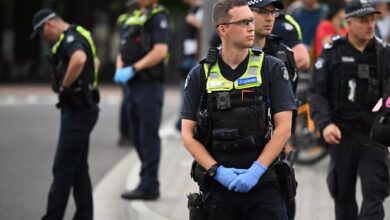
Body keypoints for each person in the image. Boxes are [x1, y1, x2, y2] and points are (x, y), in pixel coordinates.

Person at [181, 0, 296, 219]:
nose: (251, 27)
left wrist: (256, 171)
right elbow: (187, 135)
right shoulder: (199, 74)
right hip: (218, 188)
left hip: (264, 185)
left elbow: (284, 128)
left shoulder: (271, 67)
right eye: (243, 22)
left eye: (251, 21)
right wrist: (217, 171)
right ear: (223, 29)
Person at [309, 1, 390, 219]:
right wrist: (325, 124)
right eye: (364, 20)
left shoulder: (383, 53)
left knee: (375, 192)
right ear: (349, 23)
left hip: (374, 135)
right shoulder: (332, 53)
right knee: (342, 194)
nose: (370, 25)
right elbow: (317, 93)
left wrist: (383, 115)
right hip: (341, 135)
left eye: (373, 19)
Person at [31, 9, 100, 220]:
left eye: (42, 34)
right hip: (84, 107)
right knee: (78, 169)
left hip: (78, 111)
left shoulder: (70, 38)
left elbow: (79, 59)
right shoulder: (79, 33)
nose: (44, 38)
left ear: (49, 24)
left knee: (61, 169)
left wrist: (64, 85)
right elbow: (95, 62)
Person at [114, 0, 171, 200]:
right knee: (136, 133)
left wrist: (134, 68)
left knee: (148, 134)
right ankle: (145, 179)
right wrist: (120, 69)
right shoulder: (133, 17)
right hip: (132, 84)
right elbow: (123, 47)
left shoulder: (159, 17)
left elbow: (160, 51)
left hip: (149, 84)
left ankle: (150, 184)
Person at [249, 1, 298, 219]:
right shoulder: (230, 51)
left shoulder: (283, 54)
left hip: (275, 146)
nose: (269, 18)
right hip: (237, 145)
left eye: (273, 12)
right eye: (262, 11)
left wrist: (288, 140)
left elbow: (289, 104)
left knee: (284, 205)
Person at [175, 0, 203, 132]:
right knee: (185, 89)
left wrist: (195, 21)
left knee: (188, 90)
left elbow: (206, 27)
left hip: (195, 56)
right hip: (189, 55)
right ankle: (179, 123)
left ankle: (181, 125)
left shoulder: (201, 9)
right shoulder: (194, 10)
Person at [115, 0, 139, 146]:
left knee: (132, 102)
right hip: (127, 65)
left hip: (135, 65)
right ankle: (125, 135)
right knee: (127, 101)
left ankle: (131, 134)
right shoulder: (125, 20)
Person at [272, 3, 310, 71]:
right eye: (262, 11)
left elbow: (302, 60)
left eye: (271, 11)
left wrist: (278, 75)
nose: (268, 18)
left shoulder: (282, 25)